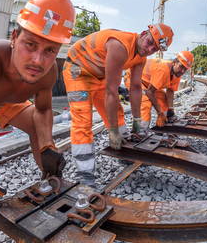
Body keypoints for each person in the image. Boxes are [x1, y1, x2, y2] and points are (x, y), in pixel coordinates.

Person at [0, 0, 75, 215]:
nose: (38, 60)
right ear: (14, 37)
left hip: (0, 99)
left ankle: (49, 185)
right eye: (30, 44)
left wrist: (47, 146)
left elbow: (44, 110)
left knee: (39, 128)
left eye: (50, 50)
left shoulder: (48, 72)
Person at [63, 24, 174, 186]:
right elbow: (111, 92)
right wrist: (113, 131)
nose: (149, 49)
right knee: (82, 119)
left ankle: (122, 150)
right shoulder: (119, 46)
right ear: (143, 33)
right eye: (149, 42)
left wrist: (137, 121)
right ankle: (85, 175)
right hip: (77, 71)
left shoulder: (141, 58)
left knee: (118, 113)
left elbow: (136, 88)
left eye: (154, 49)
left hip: (98, 75)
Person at [129, 51, 194, 130]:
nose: (182, 71)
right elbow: (149, 92)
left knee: (163, 101)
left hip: (149, 83)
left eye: (185, 69)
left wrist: (170, 110)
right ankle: (140, 131)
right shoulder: (163, 70)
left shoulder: (177, 74)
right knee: (145, 103)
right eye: (181, 67)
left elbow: (170, 91)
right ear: (174, 62)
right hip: (134, 78)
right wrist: (160, 113)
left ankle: (163, 125)